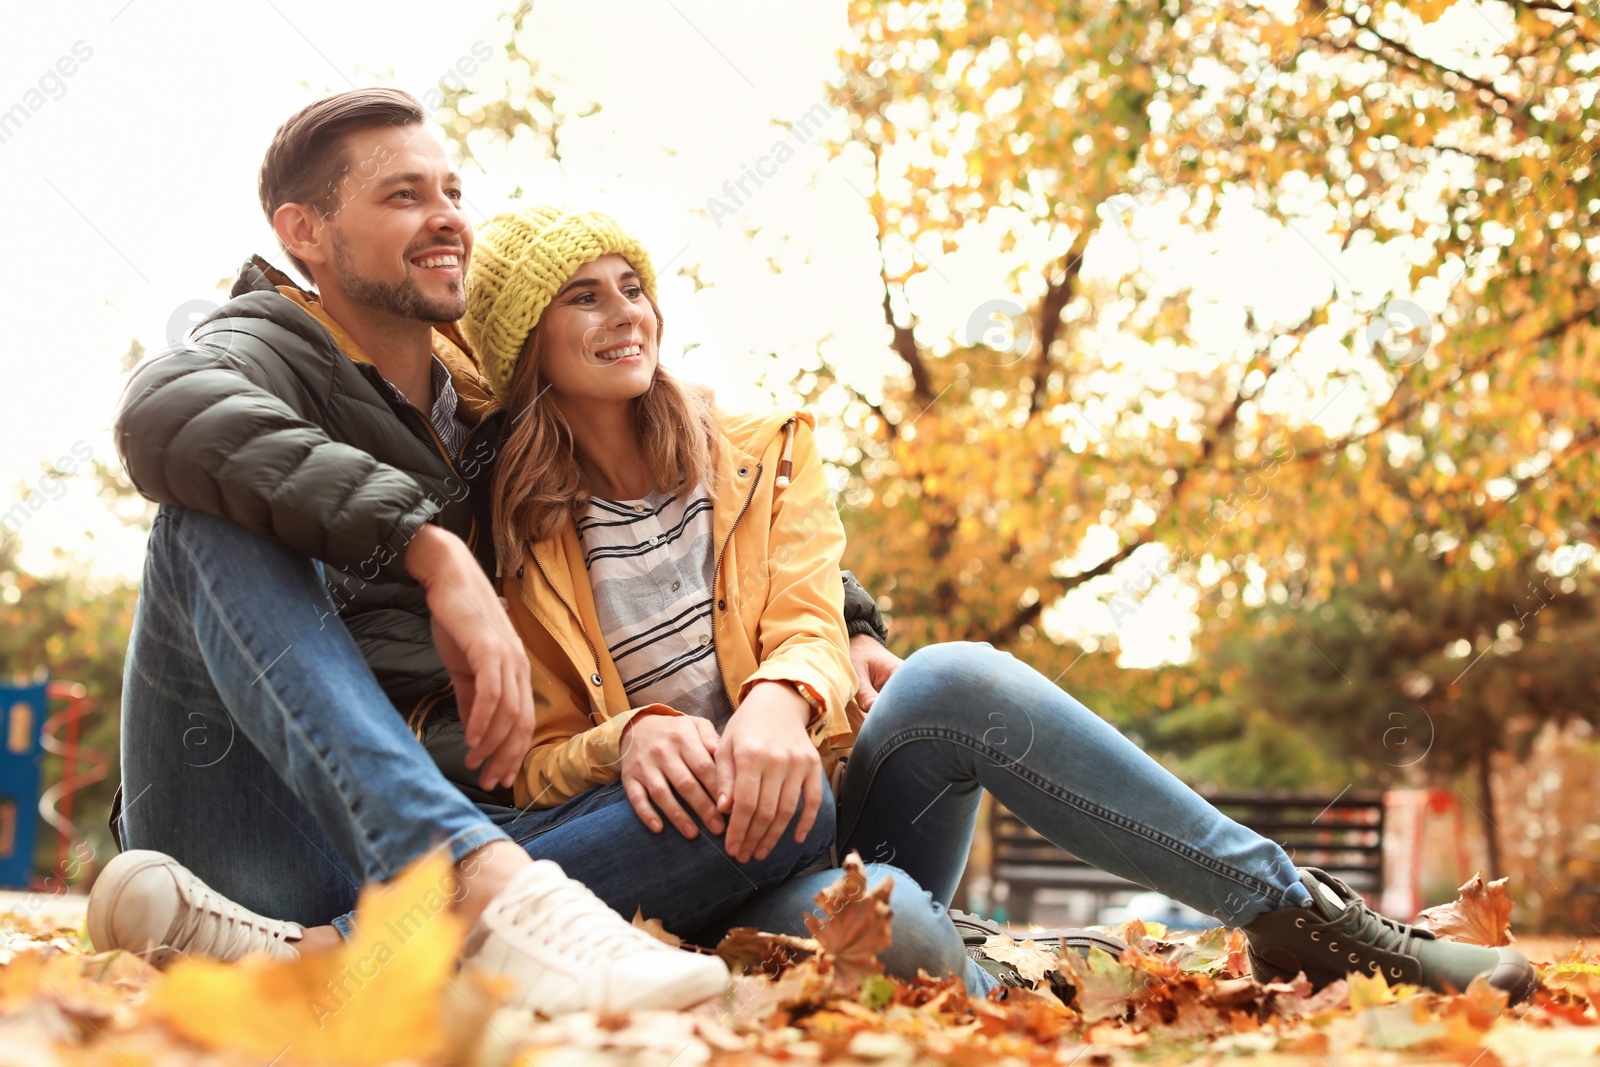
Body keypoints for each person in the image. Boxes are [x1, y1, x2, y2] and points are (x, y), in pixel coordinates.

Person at [456, 204, 1539, 1004]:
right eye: (581, 297)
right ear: (523, 341)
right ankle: (996, 973)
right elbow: (531, 760)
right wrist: (626, 739)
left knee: (952, 675)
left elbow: (807, 614)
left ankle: (1303, 918)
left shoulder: (760, 451)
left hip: (827, 806)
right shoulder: (510, 537)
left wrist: (782, 701)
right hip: (711, 881)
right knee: (907, 936)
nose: (621, 314)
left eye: (630, 284)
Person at [88, 88, 884, 1015]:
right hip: (255, 821)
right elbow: (162, 415)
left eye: (451, 191)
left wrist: (852, 622)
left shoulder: (484, 409)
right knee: (205, 517)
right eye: (402, 196)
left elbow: (696, 492)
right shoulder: (264, 347)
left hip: (435, 843)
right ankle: (477, 894)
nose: (447, 219)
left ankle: (332, 959)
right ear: (305, 231)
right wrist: (430, 548)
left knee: (775, 798)